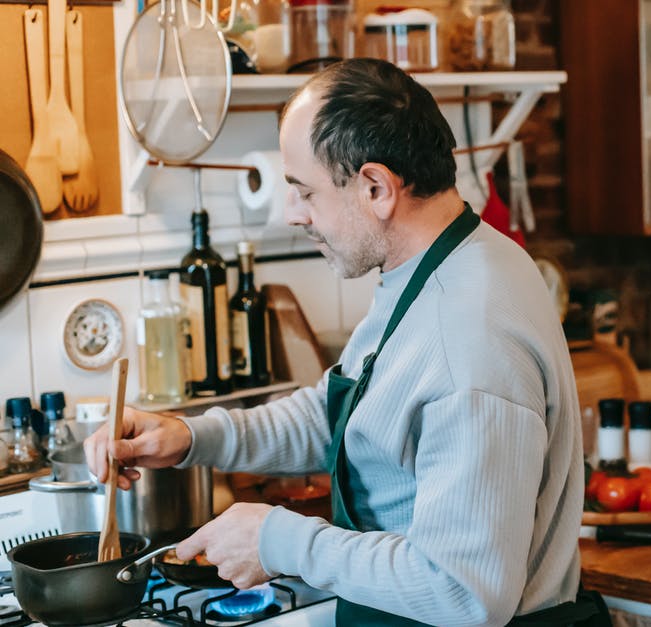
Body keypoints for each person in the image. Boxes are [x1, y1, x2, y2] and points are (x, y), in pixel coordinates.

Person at [85, 59, 601, 626]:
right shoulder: (434, 267)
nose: (291, 214)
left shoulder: (469, 336)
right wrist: (189, 437)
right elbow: (350, 415)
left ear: (376, 188)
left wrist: (279, 540)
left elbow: (464, 592)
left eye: (304, 191)